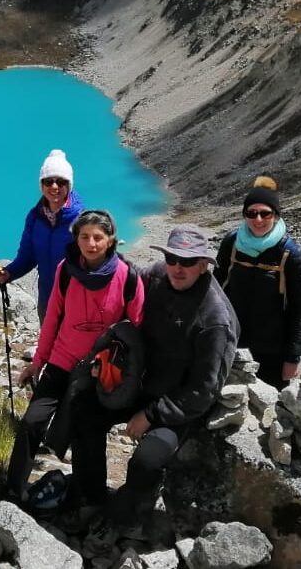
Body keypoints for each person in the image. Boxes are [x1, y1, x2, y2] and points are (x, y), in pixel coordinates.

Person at [70, 225, 239, 527]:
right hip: (139, 383)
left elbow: (203, 390)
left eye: (187, 261)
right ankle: (91, 498)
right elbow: (132, 279)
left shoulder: (214, 320)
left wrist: (151, 415)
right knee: (84, 412)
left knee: (146, 461)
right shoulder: (159, 275)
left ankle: (125, 522)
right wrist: (105, 253)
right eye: (172, 258)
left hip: (177, 404)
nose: (177, 267)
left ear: (204, 265)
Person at [6, 210, 144, 501]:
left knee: (85, 432)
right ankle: (14, 489)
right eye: (85, 236)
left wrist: (125, 373)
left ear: (110, 241)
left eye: (98, 237)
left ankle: (86, 498)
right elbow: (53, 317)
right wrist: (37, 362)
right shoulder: (66, 270)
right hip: (62, 360)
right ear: (76, 239)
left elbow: (136, 330)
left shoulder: (127, 276)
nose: (91, 243)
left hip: (100, 370)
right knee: (33, 421)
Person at [213, 176, 301, 389]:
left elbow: (299, 311)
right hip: (233, 344)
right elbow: (215, 290)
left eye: (265, 213)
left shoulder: (291, 255)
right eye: (251, 213)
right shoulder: (231, 243)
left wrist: (293, 358)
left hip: (272, 351)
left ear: (275, 216)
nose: (258, 219)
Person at [0, 149, 84, 319]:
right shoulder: (35, 217)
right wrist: (9, 273)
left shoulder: (81, 220)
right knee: (47, 344)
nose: (54, 187)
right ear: (41, 185)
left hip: (76, 300)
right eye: (48, 181)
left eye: (61, 182)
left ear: (69, 186)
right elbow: (28, 256)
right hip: (47, 297)